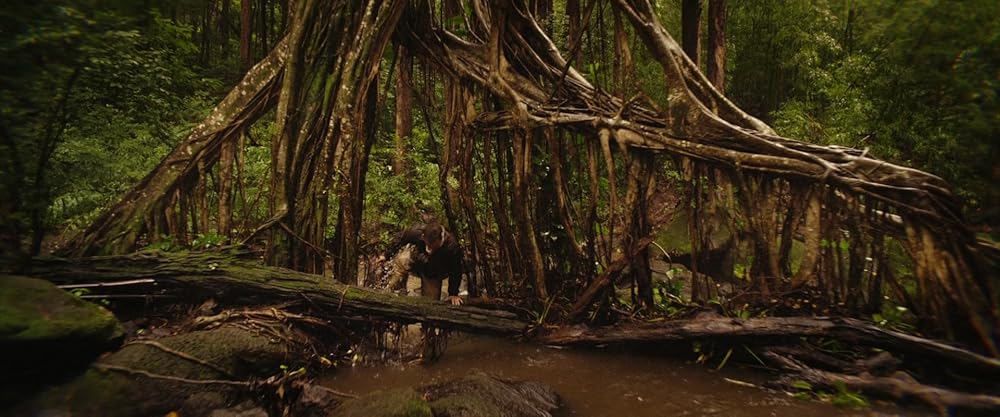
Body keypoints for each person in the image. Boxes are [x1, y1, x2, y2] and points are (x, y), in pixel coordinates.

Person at [383, 221, 465, 305]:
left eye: (433, 246)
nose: (429, 250)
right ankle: (393, 293)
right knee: (401, 259)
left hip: (434, 272)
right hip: (415, 259)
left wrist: (453, 293)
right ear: (423, 236)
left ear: (441, 239)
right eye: (428, 245)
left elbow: (456, 271)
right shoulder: (417, 232)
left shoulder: (452, 246)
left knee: (430, 304)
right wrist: (386, 255)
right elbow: (401, 238)